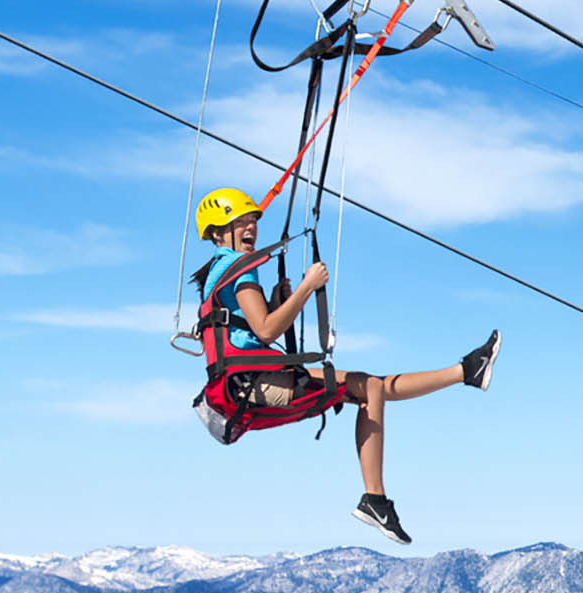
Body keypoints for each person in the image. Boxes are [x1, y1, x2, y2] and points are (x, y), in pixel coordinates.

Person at [192, 187, 500, 545]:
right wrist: (307, 287)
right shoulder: (238, 268)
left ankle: (467, 371)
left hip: (246, 381)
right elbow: (266, 329)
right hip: (252, 382)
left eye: (252, 222)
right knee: (368, 387)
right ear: (217, 232)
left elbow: (252, 332)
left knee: (371, 387)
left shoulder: (222, 270)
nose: (251, 229)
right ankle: (374, 499)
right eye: (239, 223)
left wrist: (282, 300)